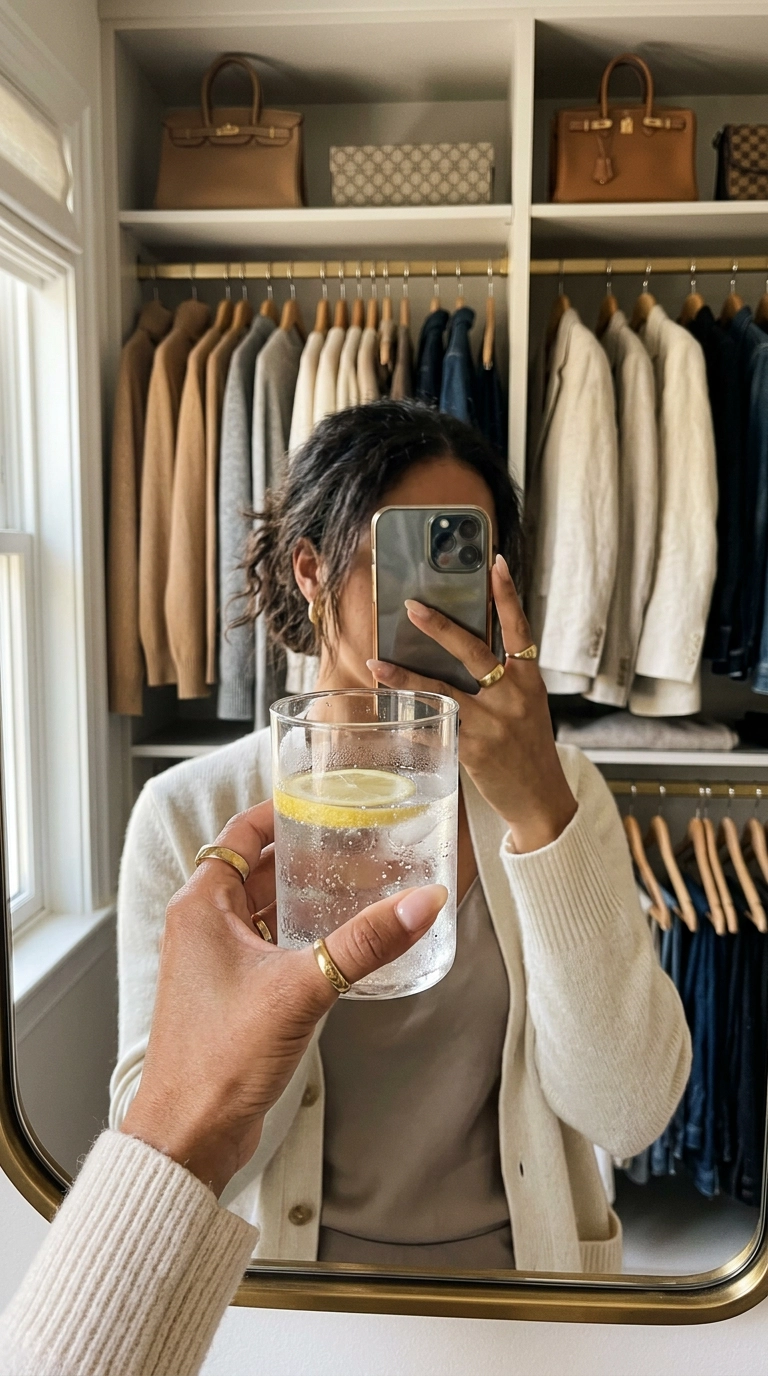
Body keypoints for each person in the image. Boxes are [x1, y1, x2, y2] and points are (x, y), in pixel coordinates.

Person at [111, 401, 691, 1274]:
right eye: (407, 552)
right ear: (310, 569)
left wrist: (543, 820)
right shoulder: (194, 814)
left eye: (463, 555)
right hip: (288, 1296)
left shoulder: (559, 792)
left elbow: (631, 1111)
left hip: (528, 1289)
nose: (432, 596)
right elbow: (156, 1156)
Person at [0, 800, 447, 1376]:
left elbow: (608, 1121)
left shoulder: (534, 789)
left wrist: (541, 818)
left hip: (512, 1299)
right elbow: (153, 1102)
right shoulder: (182, 810)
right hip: (276, 1318)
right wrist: (308, 942)